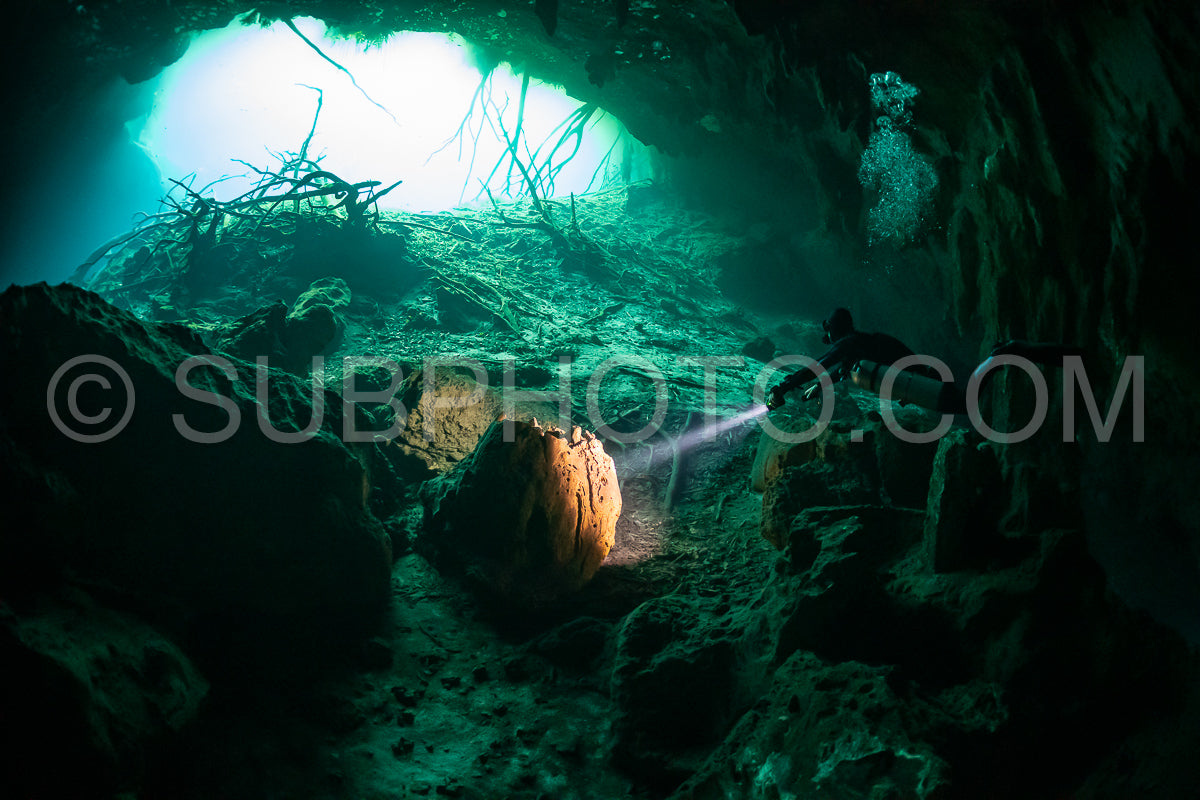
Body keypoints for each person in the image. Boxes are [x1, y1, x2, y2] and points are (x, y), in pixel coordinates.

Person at [767, 308, 915, 409]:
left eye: (829, 330)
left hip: (914, 378)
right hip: (917, 377)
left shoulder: (849, 342)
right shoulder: (863, 342)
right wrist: (819, 386)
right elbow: (843, 370)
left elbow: (819, 366)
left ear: (834, 328)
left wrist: (783, 388)